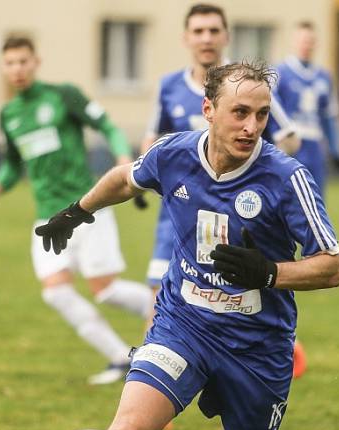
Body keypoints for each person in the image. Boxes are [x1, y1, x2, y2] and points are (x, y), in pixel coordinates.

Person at [0, 61, 339, 430]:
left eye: (262, 115)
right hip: (184, 326)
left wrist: (269, 273)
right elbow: (124, 178)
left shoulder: (286, 178)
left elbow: (332, 265)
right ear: (209, 111)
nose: (251, 127)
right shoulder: (176, 153)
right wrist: (75, 213)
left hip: (257, 347)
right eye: (239, 113)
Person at [139, 3, 308, 377]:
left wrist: (259, 172)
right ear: (186, 38)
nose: (206, 38)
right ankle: (152, 380)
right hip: (179, 217)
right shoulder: (169, 86)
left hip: (237, 217)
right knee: (160, 293)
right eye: (198, 31)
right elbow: (151, 141)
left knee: (241, 292)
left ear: (226, 36)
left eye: (214, 30)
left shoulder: (245, 87)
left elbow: (289, 136)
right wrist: (145, 176)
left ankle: (255, 360)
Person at [0, 37, 153, 386]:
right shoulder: (9, 114)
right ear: (3, 67)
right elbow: (13, 163)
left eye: (23, 61)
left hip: (86, 208)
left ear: (36, 61)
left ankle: (168, 310)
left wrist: (122, 155)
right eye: (10, 63)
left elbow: (108, 126)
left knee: (105, 289)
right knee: (56, 292)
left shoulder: (63, 95)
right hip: (46, 216)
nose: (17, 69)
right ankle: (120, 357)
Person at [275, 20, 339, 196]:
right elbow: (271, 111)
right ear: (294, 41)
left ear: (316, 44)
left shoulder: (324, 77)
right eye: (302, 40)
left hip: (314, 145)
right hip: (290, 143)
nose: (306, 45)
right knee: (287, 195)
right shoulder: (280, 73)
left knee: (315, 197)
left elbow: (328, 116)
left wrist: (335, 149)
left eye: (310, 41)